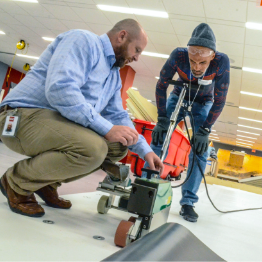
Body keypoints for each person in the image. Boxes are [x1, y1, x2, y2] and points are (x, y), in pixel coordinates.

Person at [0, 19, 163, 218]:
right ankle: (16, 181)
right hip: (19, 117)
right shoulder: (83, 41)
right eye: (137, 50)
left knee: (119, 146)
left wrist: (145, 150)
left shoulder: (113, 76)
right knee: (94, 148)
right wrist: (107, 129)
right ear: (122, 36)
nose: (137, 57)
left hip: (49, 122)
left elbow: (118, 115)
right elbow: (61, 90)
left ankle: (47, 182)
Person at [143, 23, 230, 222]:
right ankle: (145, 185)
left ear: (212, 57)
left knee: (200, 150)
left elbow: (220, 99)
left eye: (202, 63)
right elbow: (161, 85)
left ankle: (188, 202)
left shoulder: (221, 61)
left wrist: (205, 129)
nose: (196, 67)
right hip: (178, 95)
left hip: (204, 102)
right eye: (193, 61)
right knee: (159, 138)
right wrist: (162, 119)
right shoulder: (179, 55)